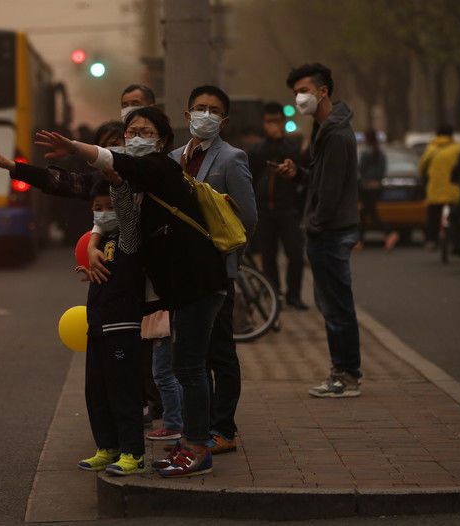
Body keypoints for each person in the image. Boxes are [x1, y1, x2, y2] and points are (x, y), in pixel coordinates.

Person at [35, 106, 229, 477]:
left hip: (199, 283)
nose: (136, 137)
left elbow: (118, 163)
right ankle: (189, 444)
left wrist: (76, 146)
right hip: (182, 289)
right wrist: (102, 224)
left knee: (189, 368)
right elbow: (121, 224)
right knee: (185, 366)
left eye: (145, 131)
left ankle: (197, 448)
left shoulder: (162, 169)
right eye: (131, 131)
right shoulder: (136, 182)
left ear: (163, 139)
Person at [167, 85, 257, 455]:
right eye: (200, 108)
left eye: (214, 110)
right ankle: (196, 431)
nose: (206, 114)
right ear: (187, 115)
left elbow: (248, 217)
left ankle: (224, 429)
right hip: (182, 274)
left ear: (224, 120)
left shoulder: (232, 158)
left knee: (220, 352)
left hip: (218, 271)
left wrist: (221, 247)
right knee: (190, 356)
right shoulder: (173, 157)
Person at [282, 63, 362, 398]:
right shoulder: (325, 130)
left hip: (329, 231)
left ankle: (346, 375)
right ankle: (343, 370)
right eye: (296, 92)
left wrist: (313, 225)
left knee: (336, 307)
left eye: (304, 90)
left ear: (323, 91)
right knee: (332, 305)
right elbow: (321, 180)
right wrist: (299, 174)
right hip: (326, 229)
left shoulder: (336, 133)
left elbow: (330, 192)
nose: (299, 98)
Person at [247, 101, 308, 310]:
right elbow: (251, 177)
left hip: (288, 209)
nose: (273, 125)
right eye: (268, 122)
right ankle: (274, 295)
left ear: (283, 122)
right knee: (268, 255)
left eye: (276, 121)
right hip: (264, 210)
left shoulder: (292, 146)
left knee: (296, 254)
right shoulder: (256, 148)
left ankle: (294, 295)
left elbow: (301, 174)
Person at [419, 124, 460, 250]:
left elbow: (421, 168)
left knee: (433, 215)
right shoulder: (459, 149)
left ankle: (431, 240)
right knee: (457, 217)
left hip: (435, 191)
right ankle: (457, 241)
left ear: (437, 134)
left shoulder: (431, 149)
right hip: (455, 191)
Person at [358, 129, 399, 251]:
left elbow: (361, 170)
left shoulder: (366, 153)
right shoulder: (380, 153)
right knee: (365, 213)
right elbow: (382, 171)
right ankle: (360, 240)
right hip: (376, 187)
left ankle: (389, 232)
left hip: (366, 187)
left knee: (368, 214)